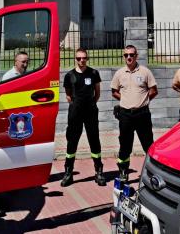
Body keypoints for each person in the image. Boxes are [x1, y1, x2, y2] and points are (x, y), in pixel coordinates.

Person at [111, 45, 157, 182]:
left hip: (142, 114)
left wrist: (143, 100)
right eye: (126, 55)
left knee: (148, 144)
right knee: (125, 145)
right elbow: (114, 92)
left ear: (136, 56)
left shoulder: (145, 72)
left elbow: (154, 90)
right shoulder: (119, 73)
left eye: (131, 55)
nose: (129, 57)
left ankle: (153, 171)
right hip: (125, 115)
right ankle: (123, 171)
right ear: (123, 57)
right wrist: (125, 99)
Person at [61, 49, 105, 187]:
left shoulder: (94, 73)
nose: (82, 60)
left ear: (87, 58)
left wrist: (90, 104)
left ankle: (99, 172)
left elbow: (97, 93)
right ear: (75, 59)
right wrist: (76, 105)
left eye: (84, 58)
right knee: (72, 141)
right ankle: (68, 173)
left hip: (90, 112)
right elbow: (68, 95)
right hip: (75, 113)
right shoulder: (69, 75)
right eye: (79, 58)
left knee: (94, 140)